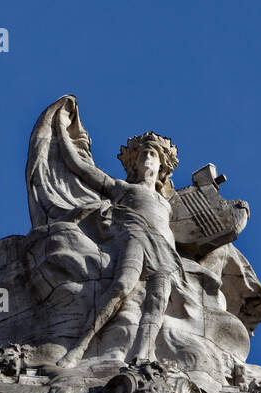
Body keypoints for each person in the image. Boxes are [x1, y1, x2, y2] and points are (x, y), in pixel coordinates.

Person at [53, 113, 185, 367]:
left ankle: (143, 355)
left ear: (162, 166)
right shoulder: (124, 189)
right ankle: (78, 349)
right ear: (133, 163)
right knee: (122, 286)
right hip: (135, 236)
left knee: (157, 301)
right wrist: (62, 136)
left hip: (165, 250)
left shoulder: (166, 203)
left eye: (153, 155)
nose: (147, 159)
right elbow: (82, 169)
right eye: (143, 154)